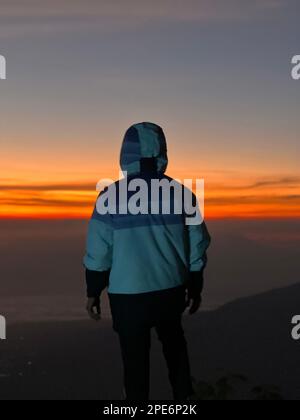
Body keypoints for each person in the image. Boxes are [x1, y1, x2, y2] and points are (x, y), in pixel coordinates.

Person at [83, 122, 211, 401]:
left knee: (134, 363)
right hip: (171, 289)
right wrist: (196, 284)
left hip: (127, 296)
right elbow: (197, 245)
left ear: (125, 155)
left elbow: (99, 251)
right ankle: (184, 400)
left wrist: (93, 291)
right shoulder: (182, 194)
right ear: (163, 152)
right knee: (175, 348)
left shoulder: (109, 197)